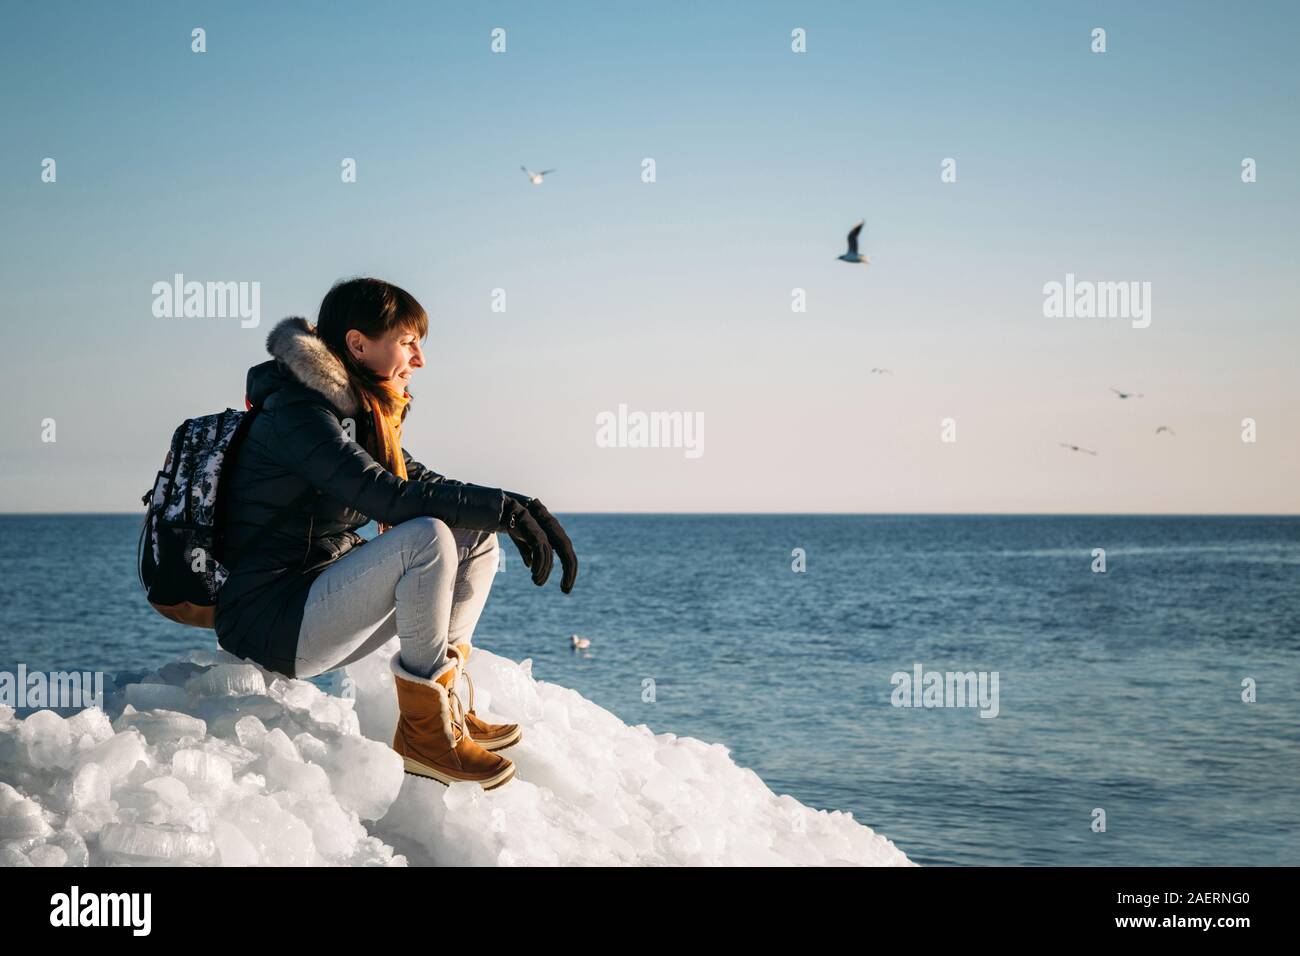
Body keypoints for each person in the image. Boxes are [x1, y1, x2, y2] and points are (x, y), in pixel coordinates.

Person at [214, 277, 577, 790]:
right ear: (358, 345)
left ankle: (442, 708)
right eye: (408, 343)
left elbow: (418, 481)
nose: (420, 360)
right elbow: (383, 495)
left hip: (315, 600)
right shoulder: (300, 416)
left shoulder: (355, 415)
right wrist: (504, 509)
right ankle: (425, 738)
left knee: (472, 534)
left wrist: (515, 507)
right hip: (271, 621)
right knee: (427, 536)